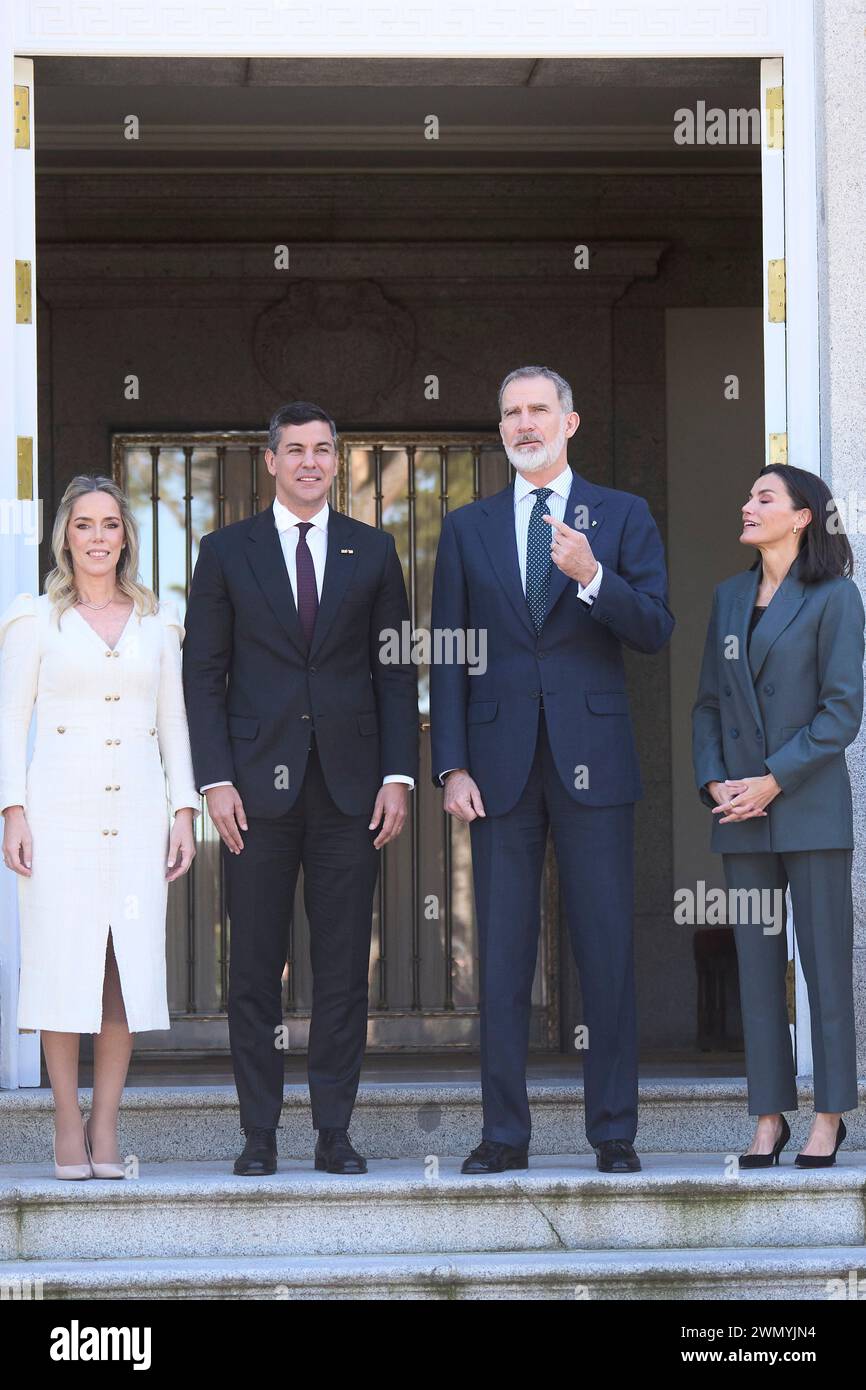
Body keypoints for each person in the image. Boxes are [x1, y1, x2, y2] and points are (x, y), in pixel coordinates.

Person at [430, 365, 674, 1174]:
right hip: (496, 770)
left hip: (594, 764)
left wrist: (592, 576)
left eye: (538, 409)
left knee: (605, 949)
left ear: (570, 422)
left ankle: (614, 1132)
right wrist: (450, 764)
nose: (524, 423)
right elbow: (448, 651)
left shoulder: (623, 515)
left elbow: (655, 628)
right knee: (500, 958)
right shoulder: (467, 527)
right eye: (511, 412)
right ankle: (505, 1133)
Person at [182, 401, 417, 1176]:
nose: (310, 462)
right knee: (252, 966)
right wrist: (214, 779)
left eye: (323, 450)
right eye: (296, 450)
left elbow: (394, 671)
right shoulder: (224, 552)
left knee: (344, 968)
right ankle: (258, 1134)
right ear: (271, 460)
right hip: (252, 793)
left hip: (351, 793)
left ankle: (333, 1132)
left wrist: (396, 775)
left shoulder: (374, 551)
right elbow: (203, 675)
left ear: (335, 461)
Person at [0, 475, 199, 1180]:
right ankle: (64, 1118)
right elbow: (9, 721)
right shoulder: (34, 620)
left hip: (139, 815)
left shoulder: (157, 624)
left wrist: (184, 810)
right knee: (62, 967)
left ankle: (106, 1122)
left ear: (126, 537)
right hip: (59, 817)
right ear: (65, 536)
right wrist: (12, 809)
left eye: (109, 524)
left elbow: (173, 721)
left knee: (124, 971)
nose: (96, 537)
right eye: (83, 524)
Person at [693, 463, 864, 1168]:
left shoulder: (835, 597)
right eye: (748, 495)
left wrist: (772, 780)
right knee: (757, 970)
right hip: (740, 813)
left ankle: (829, 1116)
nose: (747, 504)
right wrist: (714, 784)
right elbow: (706, 702)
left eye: (764, 497)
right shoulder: (729, 596)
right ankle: (769, 1117)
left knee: (824, 967)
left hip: (809, 809)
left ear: (801, 517)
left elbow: (840, 712)